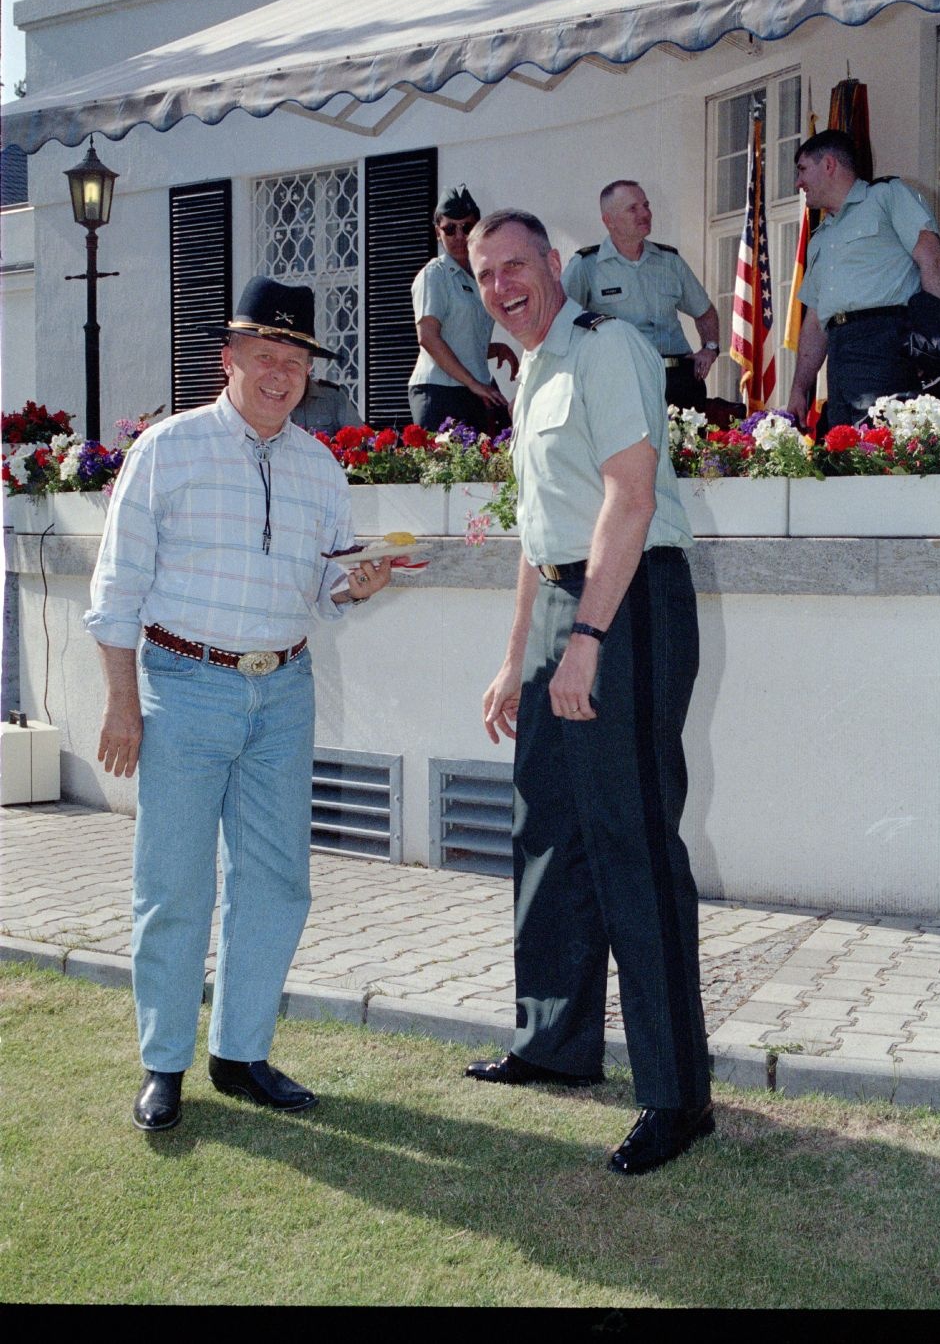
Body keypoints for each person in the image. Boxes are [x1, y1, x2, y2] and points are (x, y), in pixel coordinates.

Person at [85, 276, 391, 1133]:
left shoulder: (319, 464)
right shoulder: (167, 450)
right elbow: (116, 591)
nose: (280, 374)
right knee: (173, 884)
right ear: (229, 360)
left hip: (283, 692)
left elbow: (328, 586)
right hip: (184, 688)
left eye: (294, 361)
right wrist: (122, 706)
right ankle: (163, 1064)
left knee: (275, 882)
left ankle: (241, 1052)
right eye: (266, 356)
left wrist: (359, 585)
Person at [465, 210, 713, 1176]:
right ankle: (555, 1043)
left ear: (554, 266)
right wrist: (519, 655)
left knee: (631, 841)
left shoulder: (607, 350)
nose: (500, 285)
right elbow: (540, 531)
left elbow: (630, 498)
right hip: (566, 603)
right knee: (549, 828)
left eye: (514, 266)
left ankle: (676, 1095)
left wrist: (590, 641)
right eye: (484, 273)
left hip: (630, 603)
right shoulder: (529, 371)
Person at [785, 130, 940, 429]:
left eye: (802, 170)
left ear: (829, 165)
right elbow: (815, 321)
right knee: (842, 453)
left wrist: (937, 349)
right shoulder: (821, 236)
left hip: (886, 343)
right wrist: (799, 388)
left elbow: (933, 261)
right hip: (839, 354)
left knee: (883, 454)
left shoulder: (888, 195)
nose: (798, 183)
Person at [561, 180, 720, 412]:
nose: (645, 213)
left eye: (646, 205)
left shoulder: (669, 262)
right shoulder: (586, 266)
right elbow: (561, 322)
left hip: (678, 380)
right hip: (623, 380)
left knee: (689, 448)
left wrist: (710, 348)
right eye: (632, 208)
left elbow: (704, 312)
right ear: (609, 220)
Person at [407, 184, 516, 433]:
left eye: (466, 227)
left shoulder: (479, 278)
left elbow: (458, 336)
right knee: (448, 469)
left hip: (475, 387)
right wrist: (474, 384)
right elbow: (428, 338)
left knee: (499, 454)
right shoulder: (435, 274)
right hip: (440, 390)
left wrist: (492, 349)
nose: (458, 236)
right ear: (438, 232)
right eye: (449, 229)